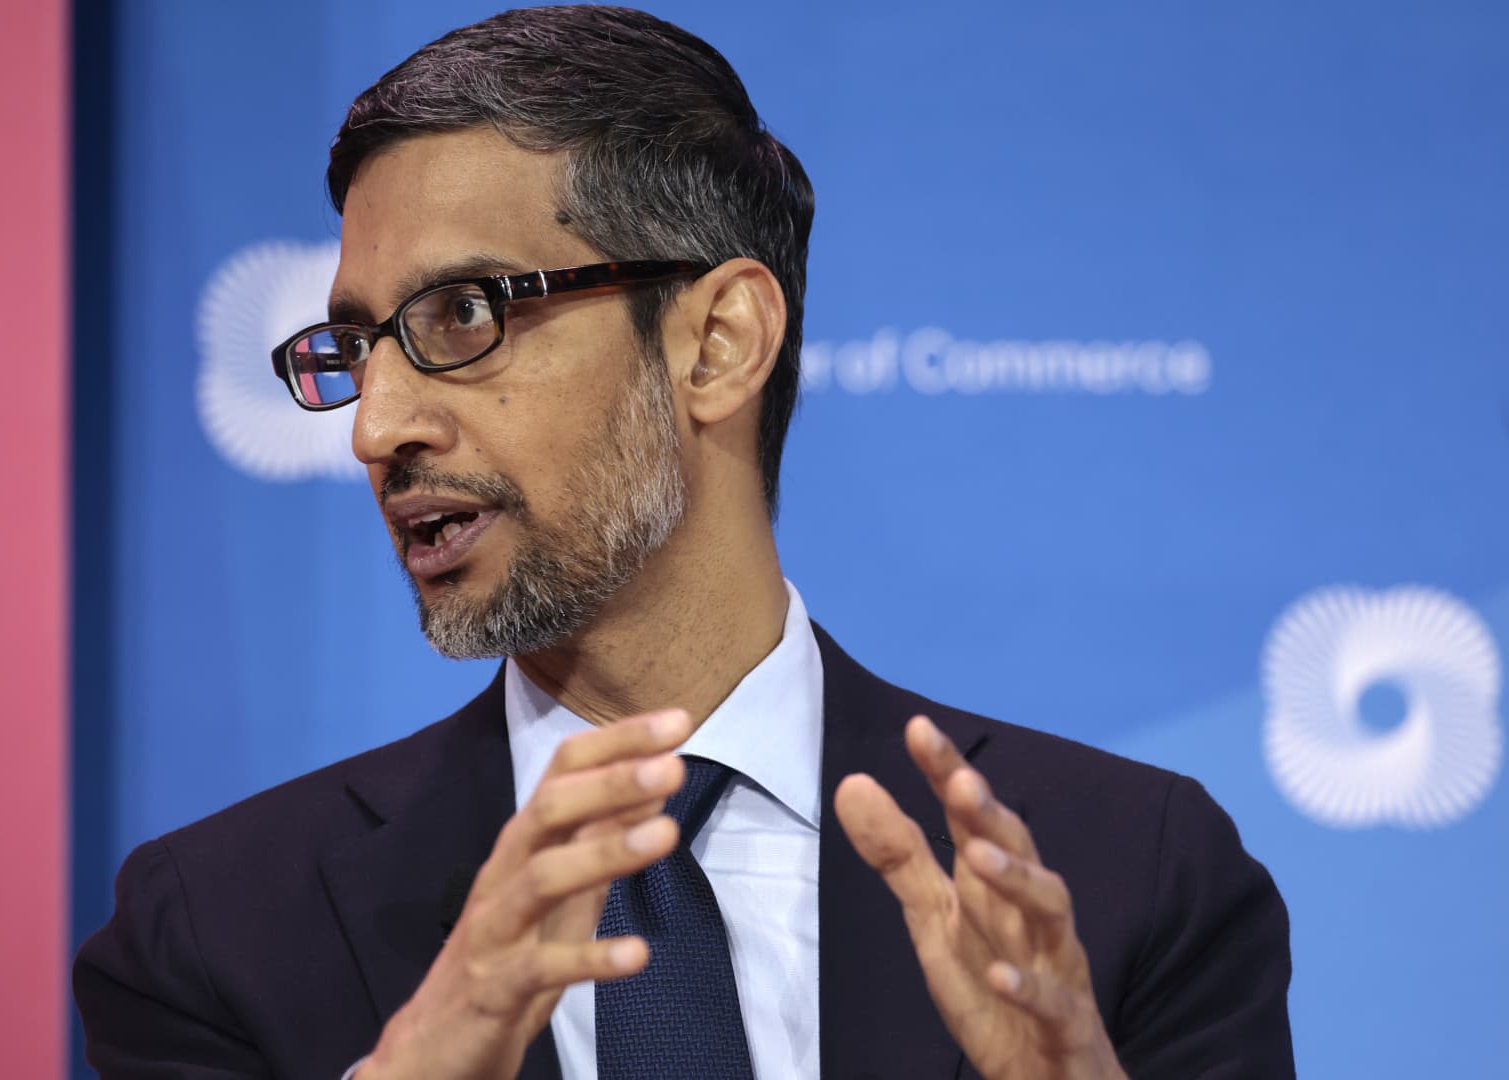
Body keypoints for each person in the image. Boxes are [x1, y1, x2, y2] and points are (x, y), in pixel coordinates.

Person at [73, 6, 1293, 1078]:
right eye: (356, 349)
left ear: (716, 345)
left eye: (462, 314)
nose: (376, 428)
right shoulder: (215, 931)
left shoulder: (1130, 878)